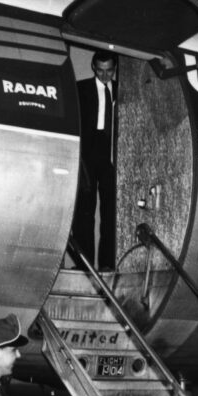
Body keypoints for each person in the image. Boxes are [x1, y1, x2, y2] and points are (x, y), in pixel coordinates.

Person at [74, 50, 118, 270]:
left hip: (113, 155)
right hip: (88, 154)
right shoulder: (80, 89)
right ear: (93, 67)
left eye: (109, 70)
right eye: (100, 70)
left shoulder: (123, 91)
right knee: (84, 212)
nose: (104, 75)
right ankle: (84, 265)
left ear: (114, 69)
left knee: (111, 214)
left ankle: (108, 264)